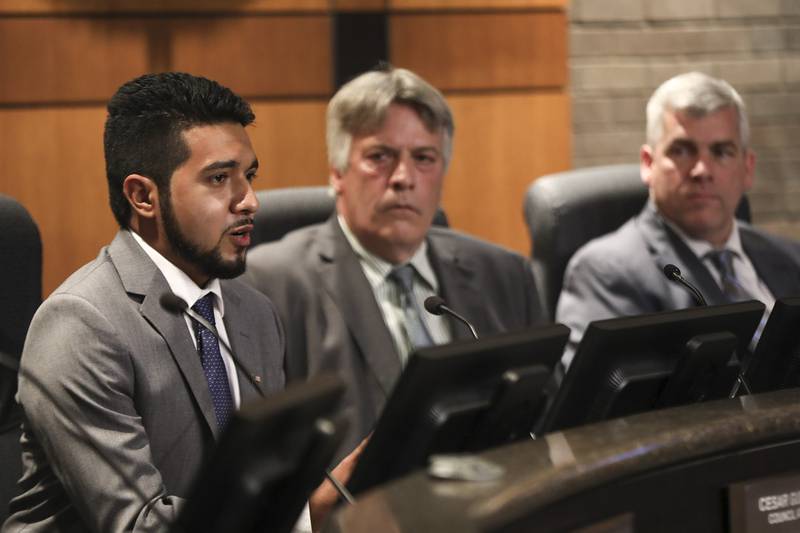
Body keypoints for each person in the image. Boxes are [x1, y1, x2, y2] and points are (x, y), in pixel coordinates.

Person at [2, 72, 344, 532]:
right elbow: (138, 523)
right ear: (143, 196)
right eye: (220, 178)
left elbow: (260, 482)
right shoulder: (80, 324)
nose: (249, 201)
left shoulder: (254, 313)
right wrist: (304, 516)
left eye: (249, 176)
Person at [242, 67, 544, 456]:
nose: (403, 177)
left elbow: (547, 419)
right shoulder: (270, 285)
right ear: (337, 172)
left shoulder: (504, 274)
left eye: (424, 158)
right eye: (380, 157)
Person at [556, 71, 800, 369]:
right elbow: (609, 407)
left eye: (721, 152)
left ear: (747, 168)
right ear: (648, 164)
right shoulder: (606, 272)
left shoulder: (791, 257)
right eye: (682, 151)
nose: (701, 170)